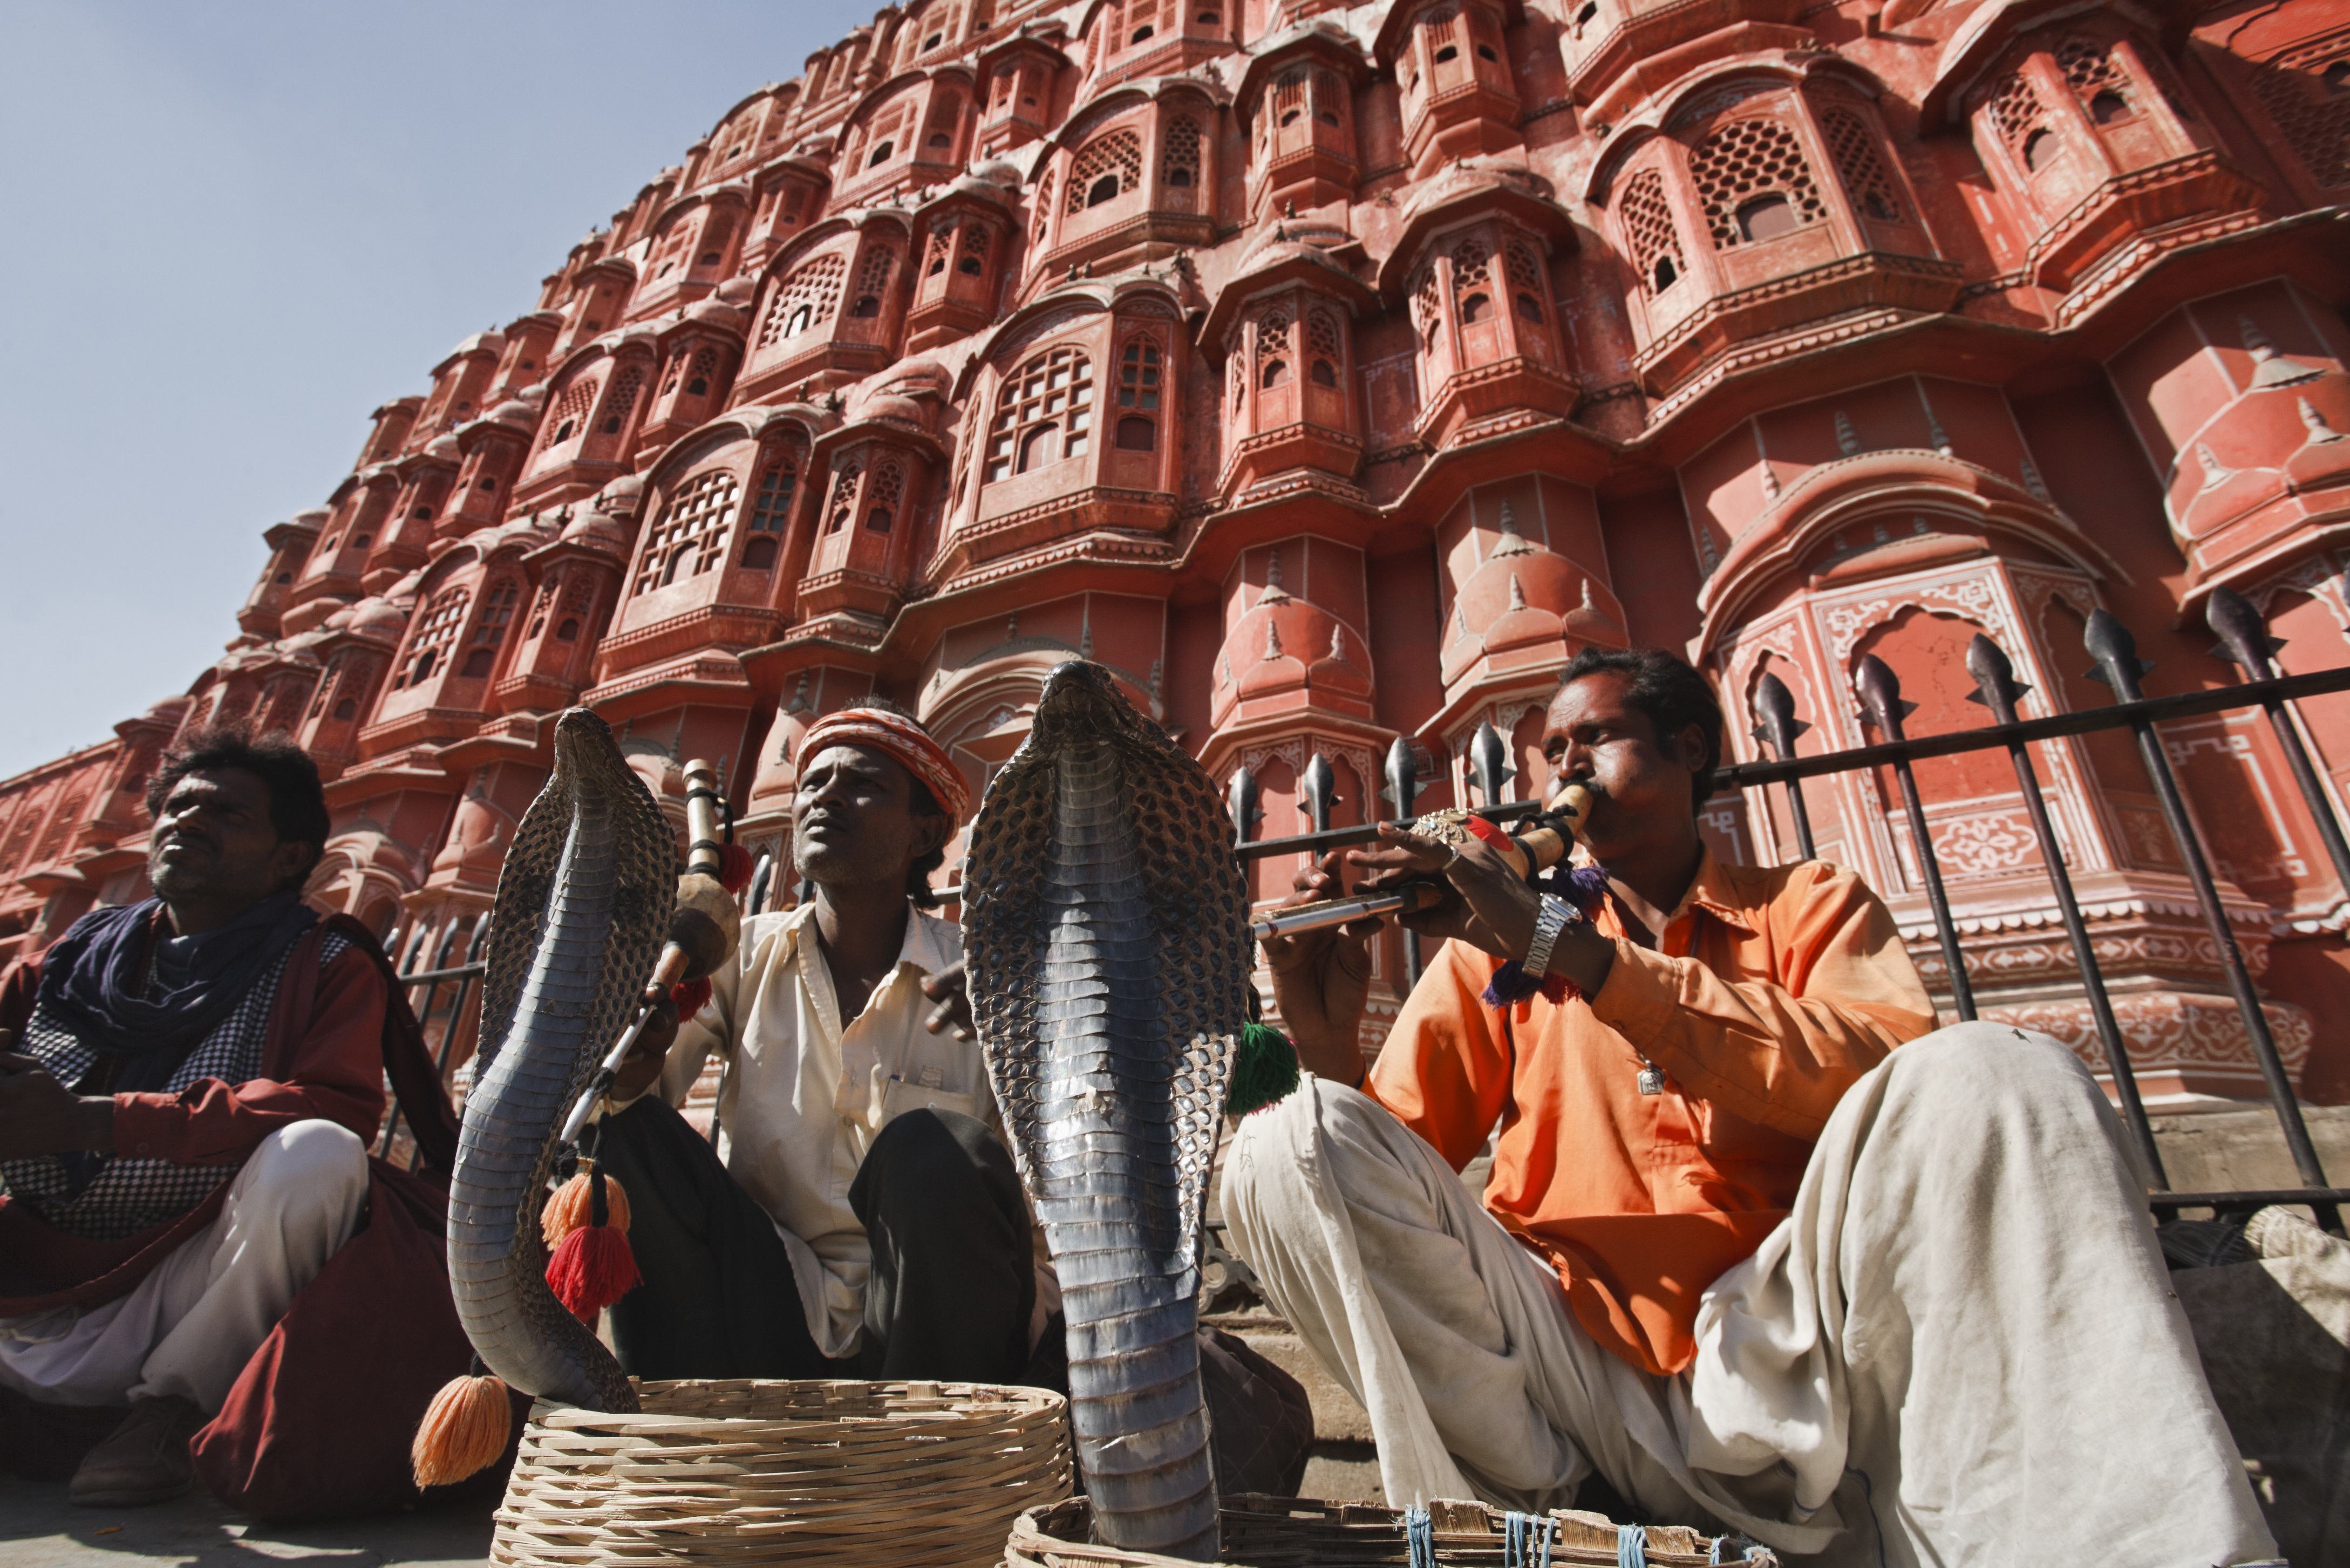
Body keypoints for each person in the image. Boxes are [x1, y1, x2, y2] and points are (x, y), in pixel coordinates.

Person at [1223, 647, 2279, 1567]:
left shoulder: (1804, 903)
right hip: (1572, 1368)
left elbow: (1884, 1075)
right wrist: (1320, 1037)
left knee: (2003, 1068)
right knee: (1284, 1143)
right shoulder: (1492, 958)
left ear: (1689, 748)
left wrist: (1584, 961)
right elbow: (1387, 1188)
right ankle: (1568, 1521)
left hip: (1800, 1342)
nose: (1564, 768)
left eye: (1596, 738)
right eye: (1552, 752)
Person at [596, 702, 1058, 1385]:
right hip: (769, 1296)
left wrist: (1028, 1023)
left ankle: (931, 1458)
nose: (826, 797)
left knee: (932, 1149)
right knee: (625, 1131)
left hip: (936, 1324)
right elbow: (637, 1108)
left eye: (862, 784)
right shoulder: (737, 953)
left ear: (923, 831)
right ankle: (692, 1421)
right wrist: (636, 1064)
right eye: (812, 783)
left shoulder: (988, 976)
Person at [0, 728, 394, 1507]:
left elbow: (334, 1105)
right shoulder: (67, 959)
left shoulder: (324, 965)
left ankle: (172, 1408)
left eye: (227, 815)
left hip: (191, 1283)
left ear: (289, 859)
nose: (187, 823)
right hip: (29, 1274)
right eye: (177, 807)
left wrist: (99, 1122)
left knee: (315, 1153)